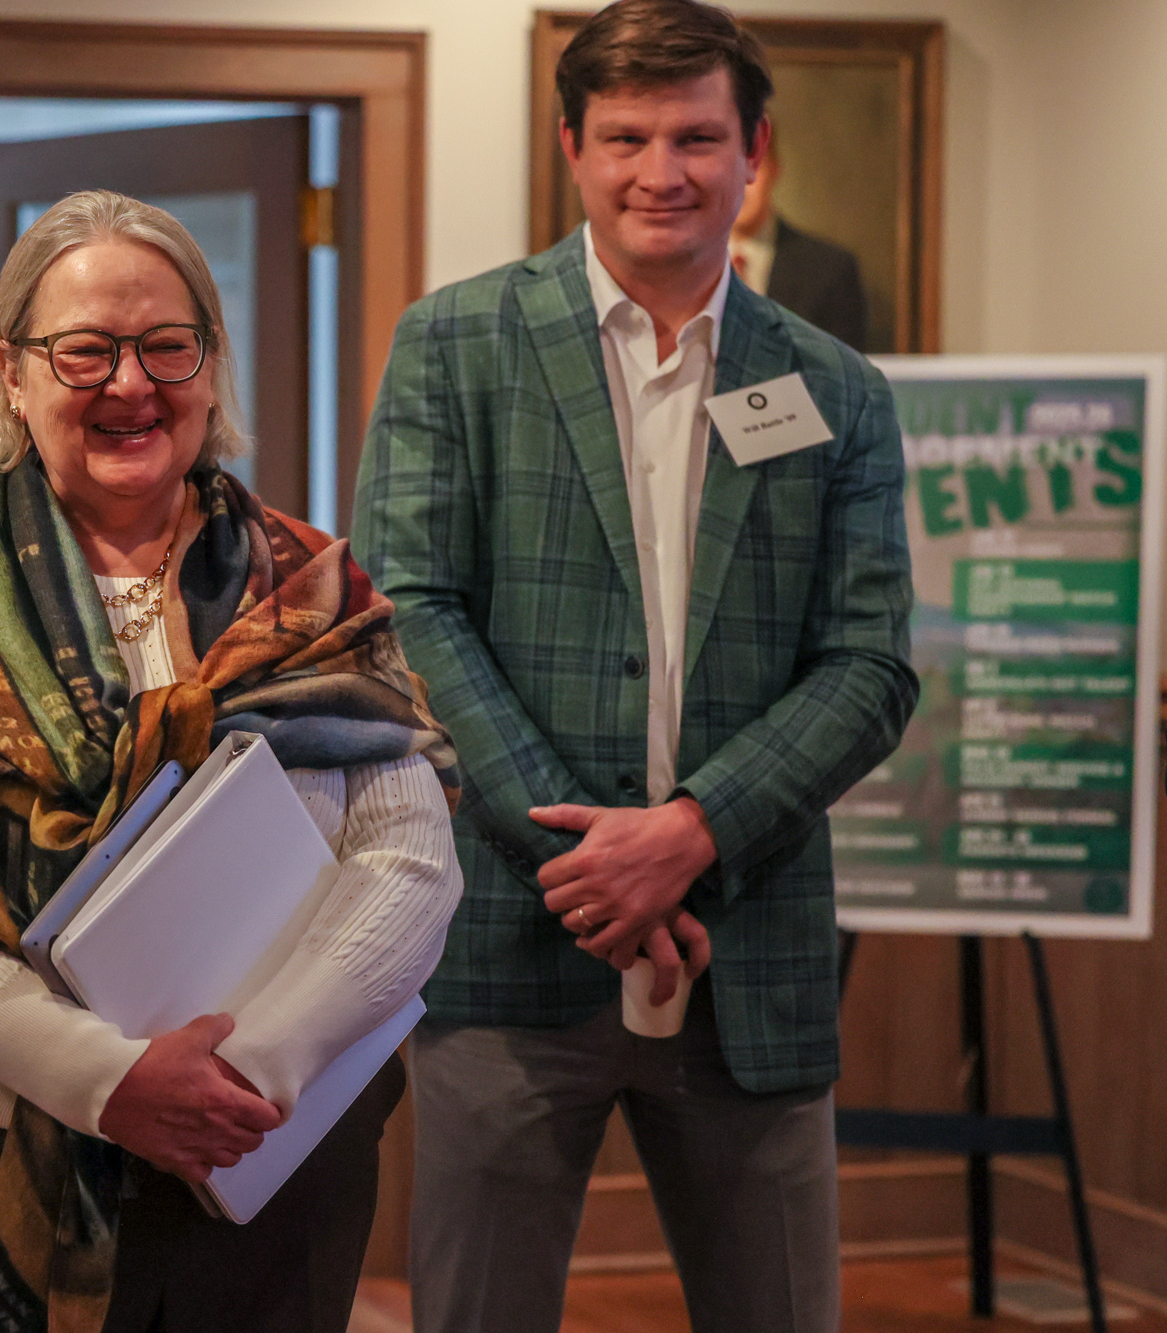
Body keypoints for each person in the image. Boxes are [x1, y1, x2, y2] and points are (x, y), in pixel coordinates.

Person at [0, 189, 463, 1333]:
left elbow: (408, 857)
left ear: (209, 365)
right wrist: (105, 1084)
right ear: (12, 373)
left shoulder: (312, 588)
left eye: (166, 345)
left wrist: (244, 1076)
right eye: (84, 350)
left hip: (263, 1140)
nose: (129, 383)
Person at [351, 2, 918, 1331]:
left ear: (753, 151)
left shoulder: (835, 388)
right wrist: (589, 860)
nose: (659, 170)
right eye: (625, 137)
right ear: (572, 146)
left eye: (695, 137)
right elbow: (408, 612)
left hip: (750, 948)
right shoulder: (455, 344)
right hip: (511, 938)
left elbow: (869, 665)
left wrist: (688, 834)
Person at [729, 129, 870, 349]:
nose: (741, 184)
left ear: (774, 170)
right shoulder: (679, 268)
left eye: (753, 166)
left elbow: (843, 367)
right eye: (729, 169)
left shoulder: (830, 270)